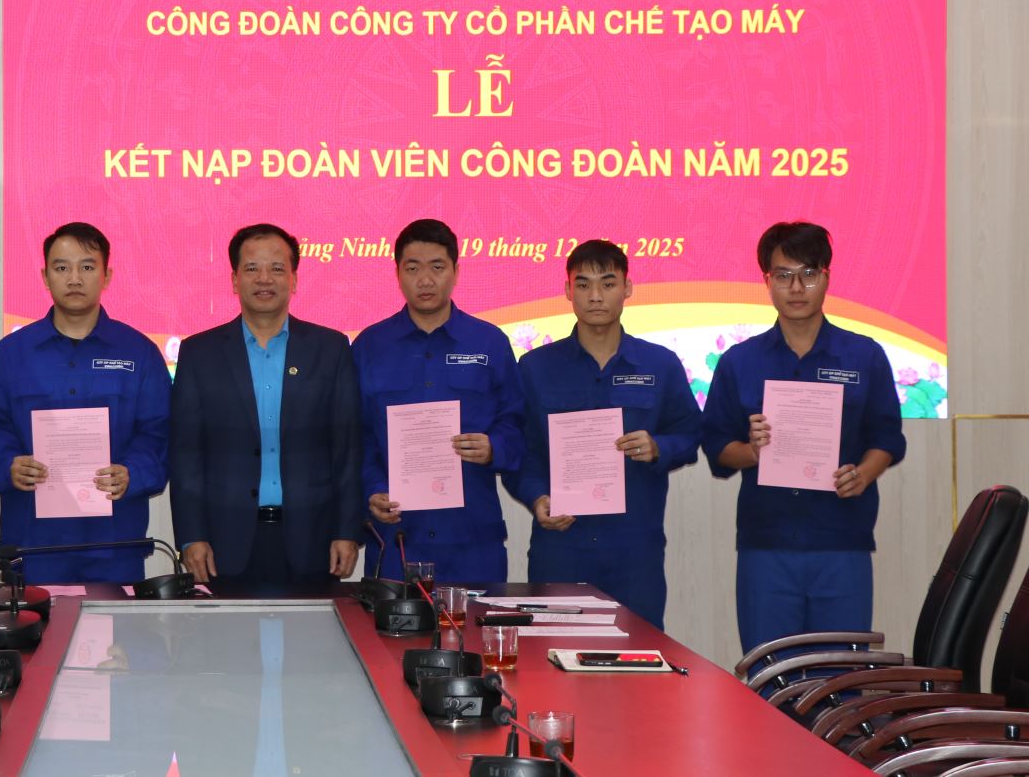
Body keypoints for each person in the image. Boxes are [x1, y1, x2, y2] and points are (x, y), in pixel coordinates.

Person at [701, 222, 905, 654]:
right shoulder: (739, 361)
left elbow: (888, 436)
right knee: (771, 673)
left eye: (808, 274)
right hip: (767, 544)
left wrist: (864, 474)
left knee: (841, 676)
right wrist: (752, 452)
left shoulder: (864, 355)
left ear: (826, 277)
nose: (796, 288)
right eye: (783, 275)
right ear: (767, 281)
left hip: (842, 541)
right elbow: (718, 447)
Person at [504, 240, 700, 629]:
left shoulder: (659, 364)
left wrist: (658, 447)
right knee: (553, 654)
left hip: (634, 551)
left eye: (608, 284)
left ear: (628, 288)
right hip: (561, 547)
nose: (595, 296)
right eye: (583, 284)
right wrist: (536, 497)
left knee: (637, 655)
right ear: (568, 291)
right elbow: (519, 451)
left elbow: (691, 433)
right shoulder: (535, 367)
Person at [0, 223, 170, 584]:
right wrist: (8, 464)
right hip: (34, 543)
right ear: (45, 276)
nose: (74, 278)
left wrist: (133, 472)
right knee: (35, 624)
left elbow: (160, 432)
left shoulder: (139, 352)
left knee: (113, 623)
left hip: (114, 542)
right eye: (62, 267)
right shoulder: (11, 354)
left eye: (87, 267)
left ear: (107, 276)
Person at [170, 222, 362, 594]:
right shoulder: (199, 353)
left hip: (313, 537)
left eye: (276, 268)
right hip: (223, 542)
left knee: (312, 634)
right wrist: (191, 535)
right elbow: (186, 454)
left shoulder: (331, 348)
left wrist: (347, 530)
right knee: (229, 635)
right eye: (252, 268)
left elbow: (347, 448)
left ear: (294, 279)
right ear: (234, 279)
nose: (264, 279)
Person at [353, 219, 524, 585]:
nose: (425, 280)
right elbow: (357, 435)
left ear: (456, 272)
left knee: (477, 625)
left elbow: (517, 422)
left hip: (472, 538)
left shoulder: (489, 342)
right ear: (397, 273)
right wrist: (371, 490)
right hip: (398, 536)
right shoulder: (369, 346)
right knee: (389, 626)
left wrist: (493, 447)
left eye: (437, 267)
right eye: (413, 268)